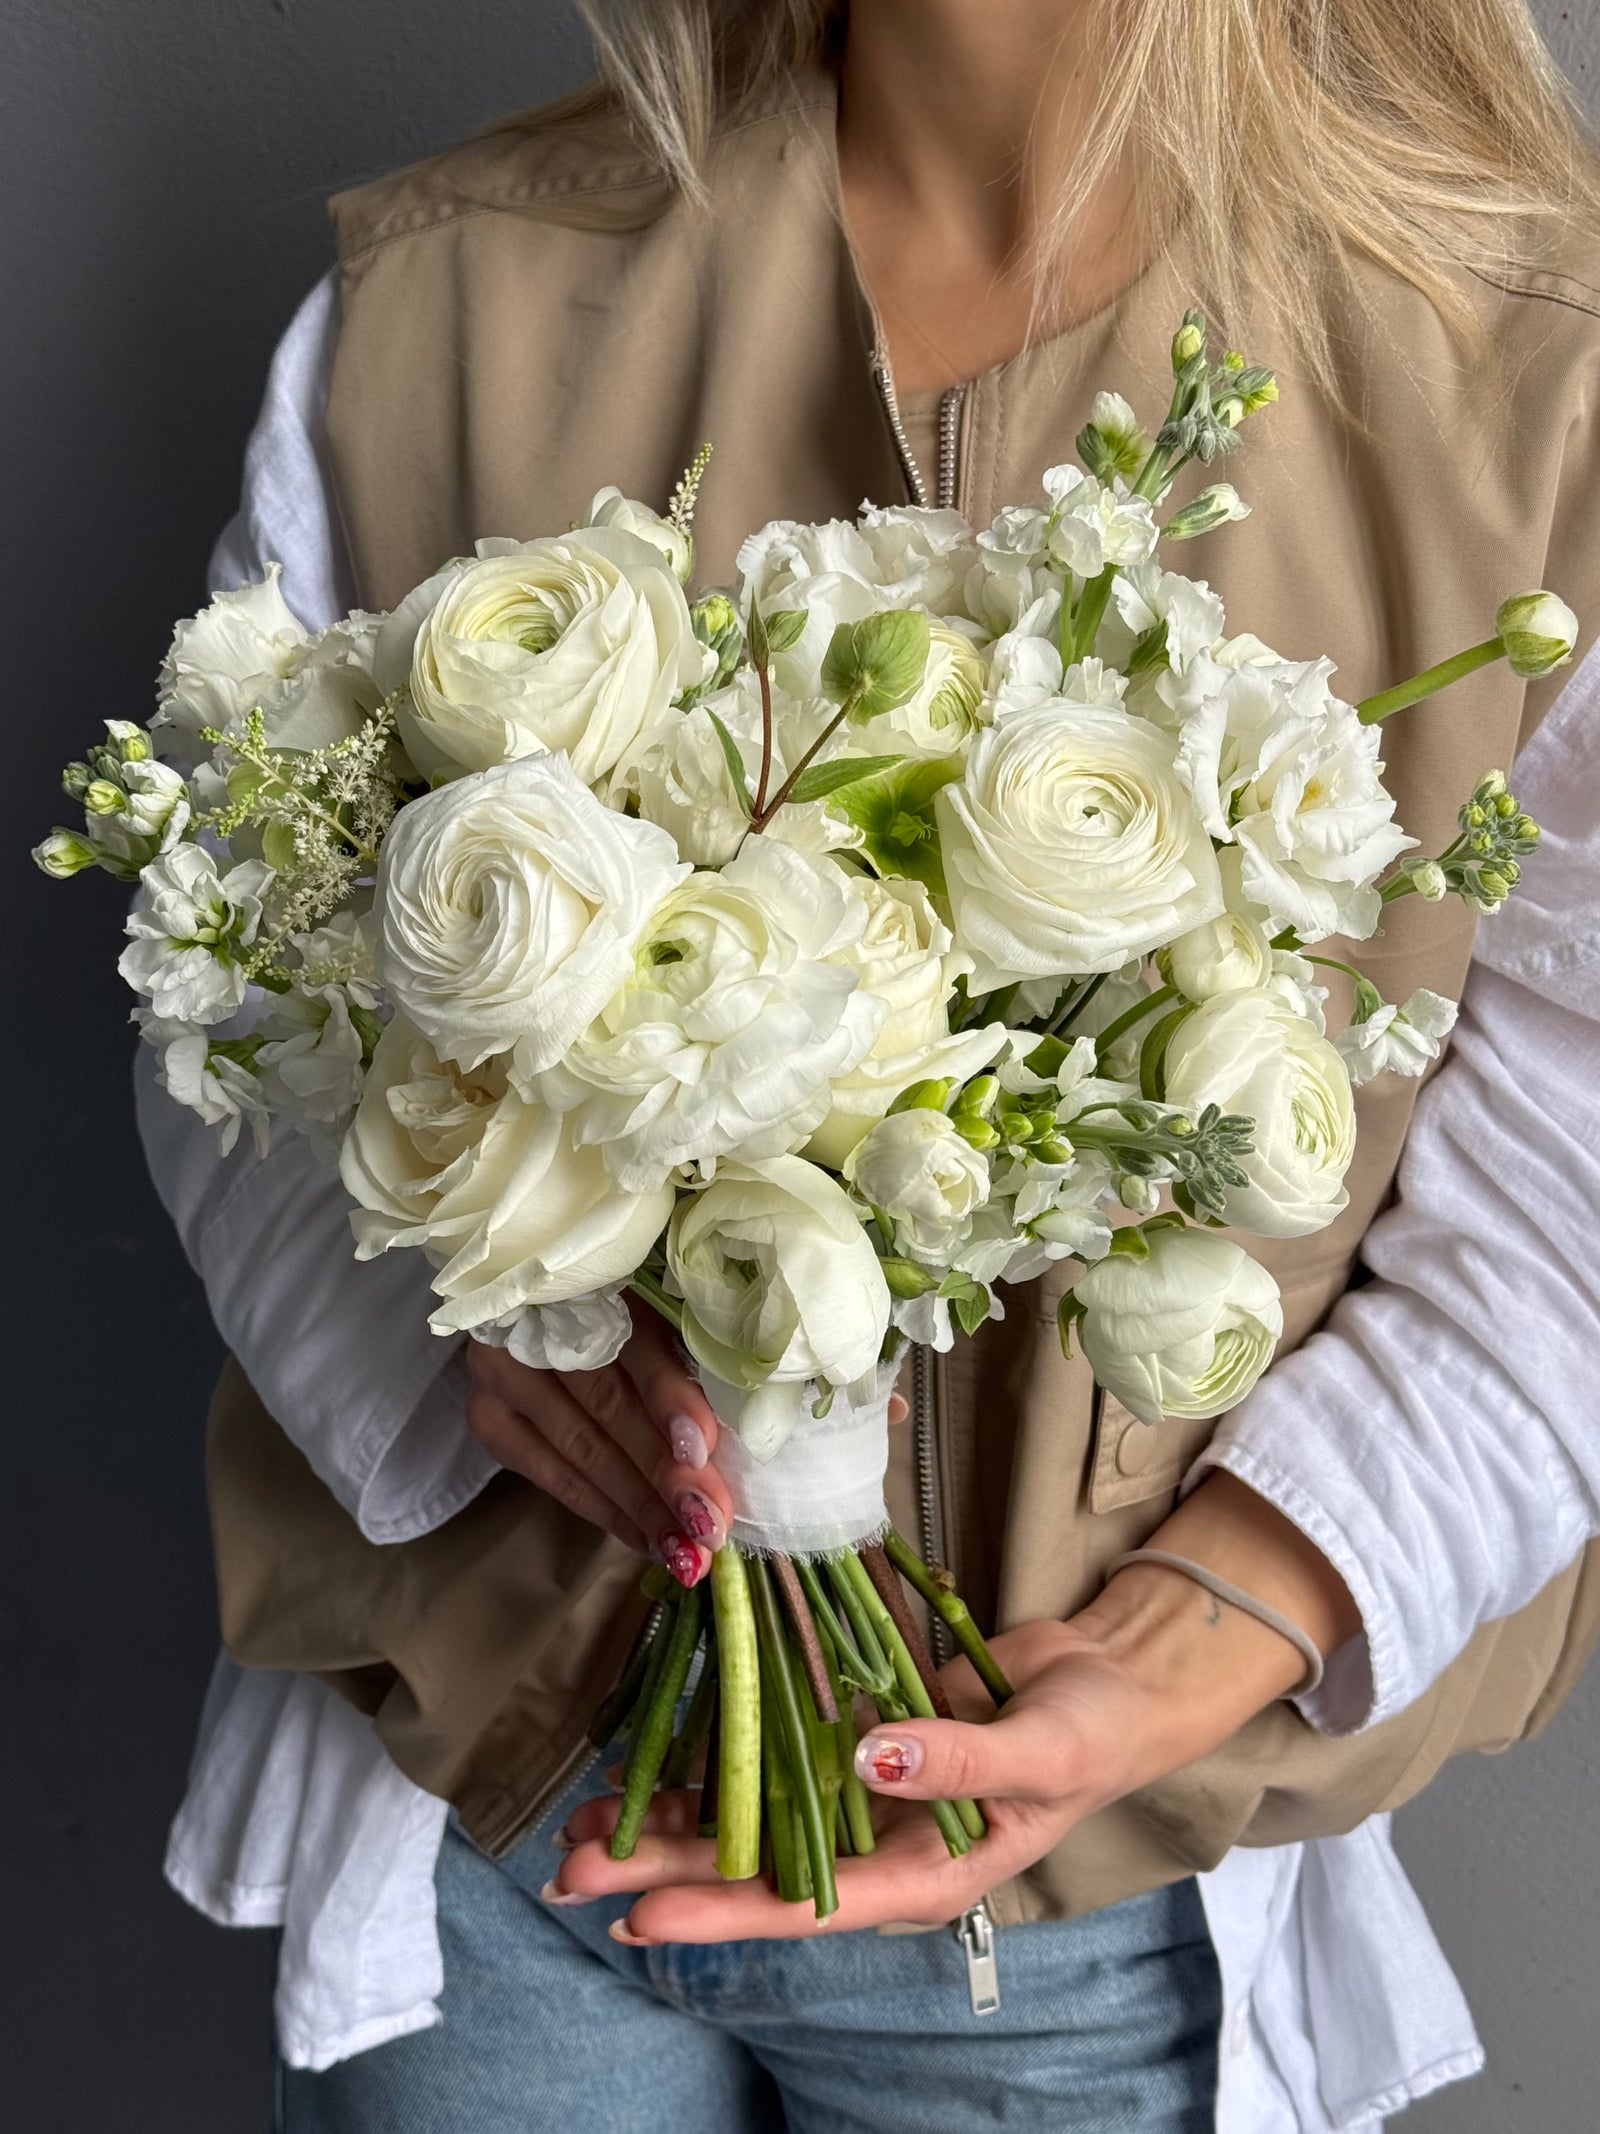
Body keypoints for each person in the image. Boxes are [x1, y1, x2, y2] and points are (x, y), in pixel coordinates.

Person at [142, 3, 1600, 2128]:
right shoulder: (438, 304)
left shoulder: (1527, 383)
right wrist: (456, 1342)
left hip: (1079, 1916)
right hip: (491, 1833)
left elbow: (1571, 1184)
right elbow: (220, 1004)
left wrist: (1231, 1604)